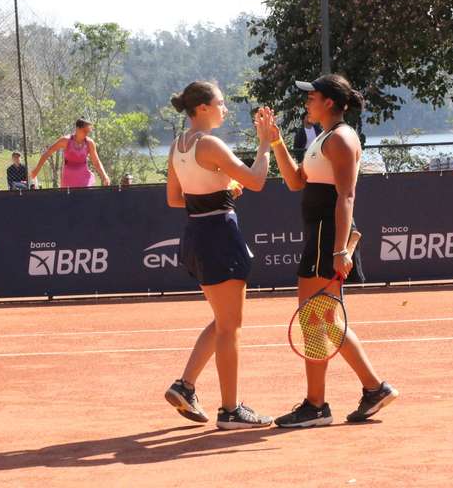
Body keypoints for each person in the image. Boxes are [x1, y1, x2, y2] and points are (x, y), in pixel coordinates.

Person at [266, 74, 399, 428]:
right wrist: (276, 141)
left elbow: (346, 196)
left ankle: (317, 405)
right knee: (324, 318)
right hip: (320, 236)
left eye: (312, 96)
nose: (306, 101)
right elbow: (296, 182)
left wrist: (340, 250)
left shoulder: (340, 138)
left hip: (328, 237)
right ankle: (371, 388)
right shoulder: (323, 137)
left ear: (328, 102)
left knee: (316, 318)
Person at [163, 80, 274, 431]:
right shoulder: (209, 143)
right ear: (202, 108)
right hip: (219, 236)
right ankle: (230, 410)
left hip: (196, 234)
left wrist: (221, 191)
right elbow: (257, 181)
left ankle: (185, 386)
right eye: (221, 103)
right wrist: (265, 144)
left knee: (222, 321)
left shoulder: (178, 145)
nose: (225, 109)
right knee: (231, 327)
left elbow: (176, 199)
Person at [30, 119, 111, 188]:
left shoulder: (89, 143)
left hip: (84, 176)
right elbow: (47, 153)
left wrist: (104, 176)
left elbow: (96, 161)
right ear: (78, 129)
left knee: (86, 199)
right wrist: (37, 169)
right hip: (68, 177)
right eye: (85, 131)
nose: (87, 133)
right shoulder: (65, 140)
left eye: (88, 131)